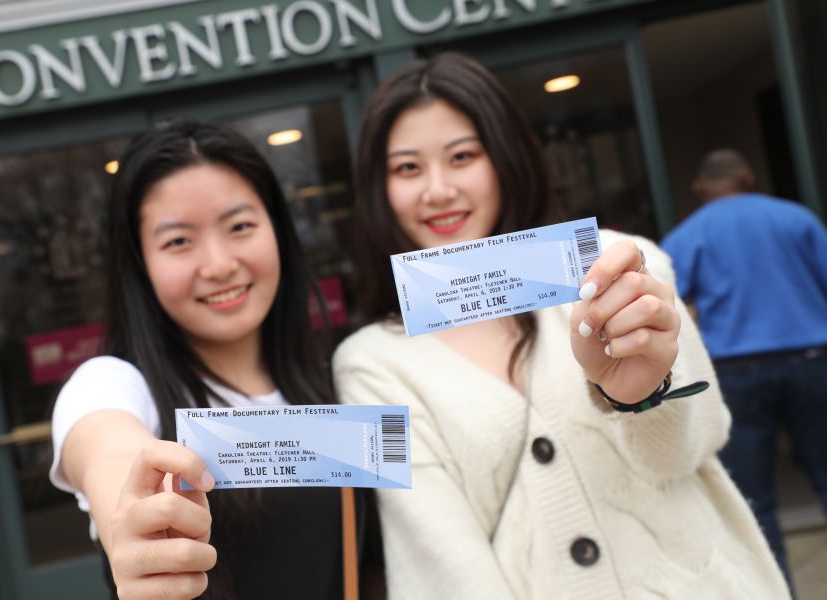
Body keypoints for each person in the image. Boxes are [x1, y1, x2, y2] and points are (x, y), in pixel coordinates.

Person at [333, 53, 789, 599]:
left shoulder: (620, 268)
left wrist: (641, 396)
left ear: (506, 158)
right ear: (378, 188)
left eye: (462, 156)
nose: (437, 189)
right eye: (407, 168)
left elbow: (690, 451)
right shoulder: (371, 360)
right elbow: (439, 566)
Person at [49, 121, 380, 600]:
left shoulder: (336, 378)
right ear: (141, 265)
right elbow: (109, 454)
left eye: (240, 227)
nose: (220, 264)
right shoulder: (111, 385)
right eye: (179, 241)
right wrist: (132, 514)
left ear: (278, 232)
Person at [661, 148, 827, 590]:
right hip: (812, 364)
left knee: (755, 501)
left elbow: (667, 307)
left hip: (737, 374)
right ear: (749, 177)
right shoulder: (798, 219)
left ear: (700, 187)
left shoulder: (687, 235)